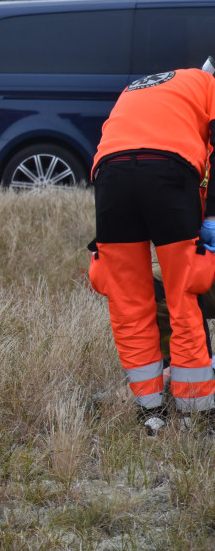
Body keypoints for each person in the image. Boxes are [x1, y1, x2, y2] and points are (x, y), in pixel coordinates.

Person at [88, 64, 215, 434]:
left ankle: (150, 412)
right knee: (184, 288)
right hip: (167, 171)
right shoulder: (209, 86)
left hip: (110, 175)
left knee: (126, 297)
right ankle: (197, 412)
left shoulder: (147, 87)